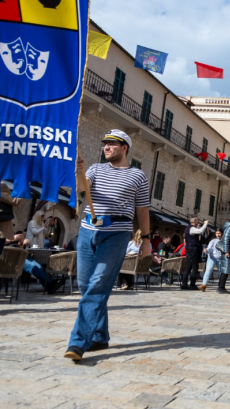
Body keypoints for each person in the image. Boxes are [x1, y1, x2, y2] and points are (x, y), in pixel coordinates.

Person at [64, 129, 150, 362]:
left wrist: (146, 240)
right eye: (105, 144)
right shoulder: (94, 169)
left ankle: (78, 342)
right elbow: (81, 188)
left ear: (125, 148)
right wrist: (78, 171)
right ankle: (101, 336)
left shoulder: (138, 176)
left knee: (98, 284)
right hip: (87, 231)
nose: (106, 147)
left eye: (112, 144)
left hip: (117, 234)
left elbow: (142, 210)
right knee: (85, 284)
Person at [181, 217, 209, 290]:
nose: (198, 222)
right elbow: (200, 231)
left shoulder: (188, 228)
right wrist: (205, 224)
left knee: (188, 267)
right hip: (192, 249)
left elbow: (198, 231)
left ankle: (184, 284)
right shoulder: (191, 228)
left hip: (190, 249)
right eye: (197, 220)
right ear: (194, 221)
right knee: (194, 267)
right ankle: (192, 284)